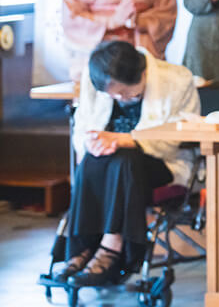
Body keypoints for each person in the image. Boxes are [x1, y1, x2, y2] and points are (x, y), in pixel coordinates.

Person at [59, 40, 199, 286]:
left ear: (142, 73)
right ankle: (81, 248)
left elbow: (177, 137)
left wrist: (125, 139)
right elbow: (82, 128)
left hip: (161, 164)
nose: (119, 99)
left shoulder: (176, 80)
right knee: (93, 158)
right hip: (110, 167)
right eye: (112, 95)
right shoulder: (96, 84)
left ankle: (112, 245)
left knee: (125, 159)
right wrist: (93, 142)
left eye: (124, 93)